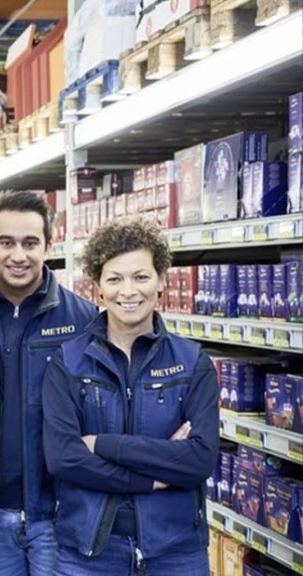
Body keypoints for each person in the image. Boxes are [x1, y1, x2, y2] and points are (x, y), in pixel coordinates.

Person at [42, 218, 219, 575]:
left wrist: (101, 443)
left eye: (141, 277)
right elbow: (64, 458)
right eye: (114, 278)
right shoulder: (69, 361)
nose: (129, 291)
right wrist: (151, 476)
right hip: (87, 553)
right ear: (97, 288)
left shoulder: (192, 362)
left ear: (161, 282)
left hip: (175, 549)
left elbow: (199, 460)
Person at [0, 191, 96, 576]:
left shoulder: (84, 319)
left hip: (59, 510)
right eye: (7, 243)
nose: (18, 255)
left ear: (49, 246)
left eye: (30, 243)